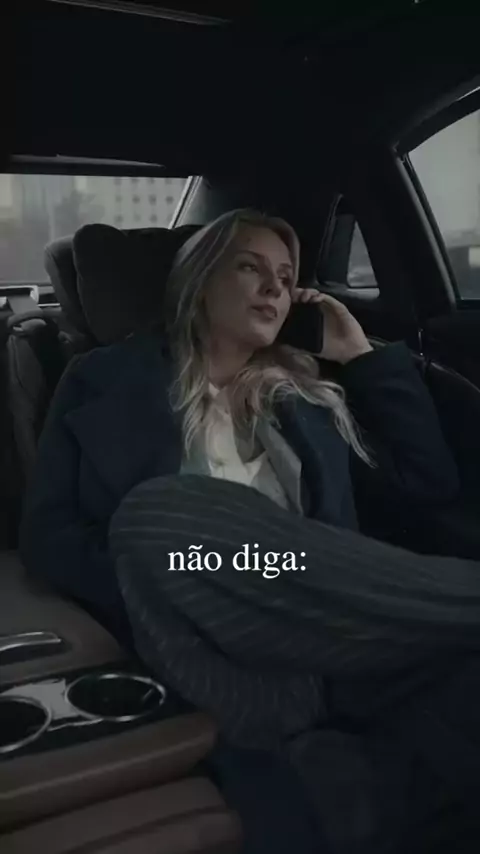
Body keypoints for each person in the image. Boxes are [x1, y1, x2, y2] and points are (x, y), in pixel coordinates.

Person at [21, 209, 474, 852]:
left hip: (327, 634)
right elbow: (49, 535)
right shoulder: (101, 379)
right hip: (201, 634)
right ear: (200, 279)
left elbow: (430, 484)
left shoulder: (308, 396)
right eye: (250, 268)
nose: (273, 288)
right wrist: (157, 590)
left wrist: (360, 356)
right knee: (157, 518)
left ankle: (351, 777)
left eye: (286, 279)